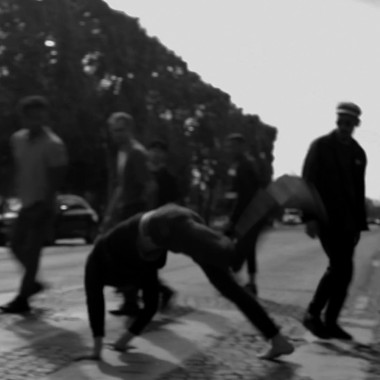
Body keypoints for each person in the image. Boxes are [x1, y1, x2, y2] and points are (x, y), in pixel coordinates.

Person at [79, 203, 294, 362]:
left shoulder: (96, 262)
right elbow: (151, 305)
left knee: (234, 257)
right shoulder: (139, 268)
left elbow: (94, 301)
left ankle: (269, 200)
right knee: (229, 288)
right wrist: (122, 342)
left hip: (168, 224)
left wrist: (97, 349)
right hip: (172, 227)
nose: (126, 295)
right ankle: (277, 340)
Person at [301, 101, 367, 340]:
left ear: (356, 124)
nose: (344, 127)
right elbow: (307, 181)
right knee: (339, 266)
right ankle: (312, 314)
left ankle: (330, 321)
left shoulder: (359, 153)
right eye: (340, 122)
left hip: (348, 222)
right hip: (325, 217)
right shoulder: (320, 146)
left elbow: (359, 191)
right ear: (336, 121)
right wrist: (308, 217)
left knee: (345, 272)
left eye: (349, 123)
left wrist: (360, 224)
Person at [0, 95, 68, 314]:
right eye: (30, 117)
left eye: (40, 116)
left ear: (45, 116)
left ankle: (23, 297)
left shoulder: (53, 144)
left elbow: (57, 179)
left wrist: (48, 207)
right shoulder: (17, 139)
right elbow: (16, 169)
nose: (35, 121)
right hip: (25, 202)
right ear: (24, 117)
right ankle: (33, 284)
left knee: (32, 251)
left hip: (43, 204)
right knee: (15, 246)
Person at [101, 112, 157, 316]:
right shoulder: (121, 152)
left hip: (136, 209)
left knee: (127, 256)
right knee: (127, 256)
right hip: (124, 209)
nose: (117, 134)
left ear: (130, 129)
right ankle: (141, 296)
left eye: (121, 130)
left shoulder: (137, 152)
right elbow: (119, 186)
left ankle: (132, 301)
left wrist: (147, 216)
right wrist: (109, 213)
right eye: (114, 131)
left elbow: (150, 185)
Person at [224, 133, 266, 296]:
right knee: (249, 249)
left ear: (241, 147)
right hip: (251, 213)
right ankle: (251, 283)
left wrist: (233, 219)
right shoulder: (241, 165)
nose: (231, 149)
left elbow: (245, 196)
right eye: (229, 146)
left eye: (234, 146)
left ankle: (231, 280)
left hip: (248, 214)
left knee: (234, 247)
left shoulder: (244, 166)